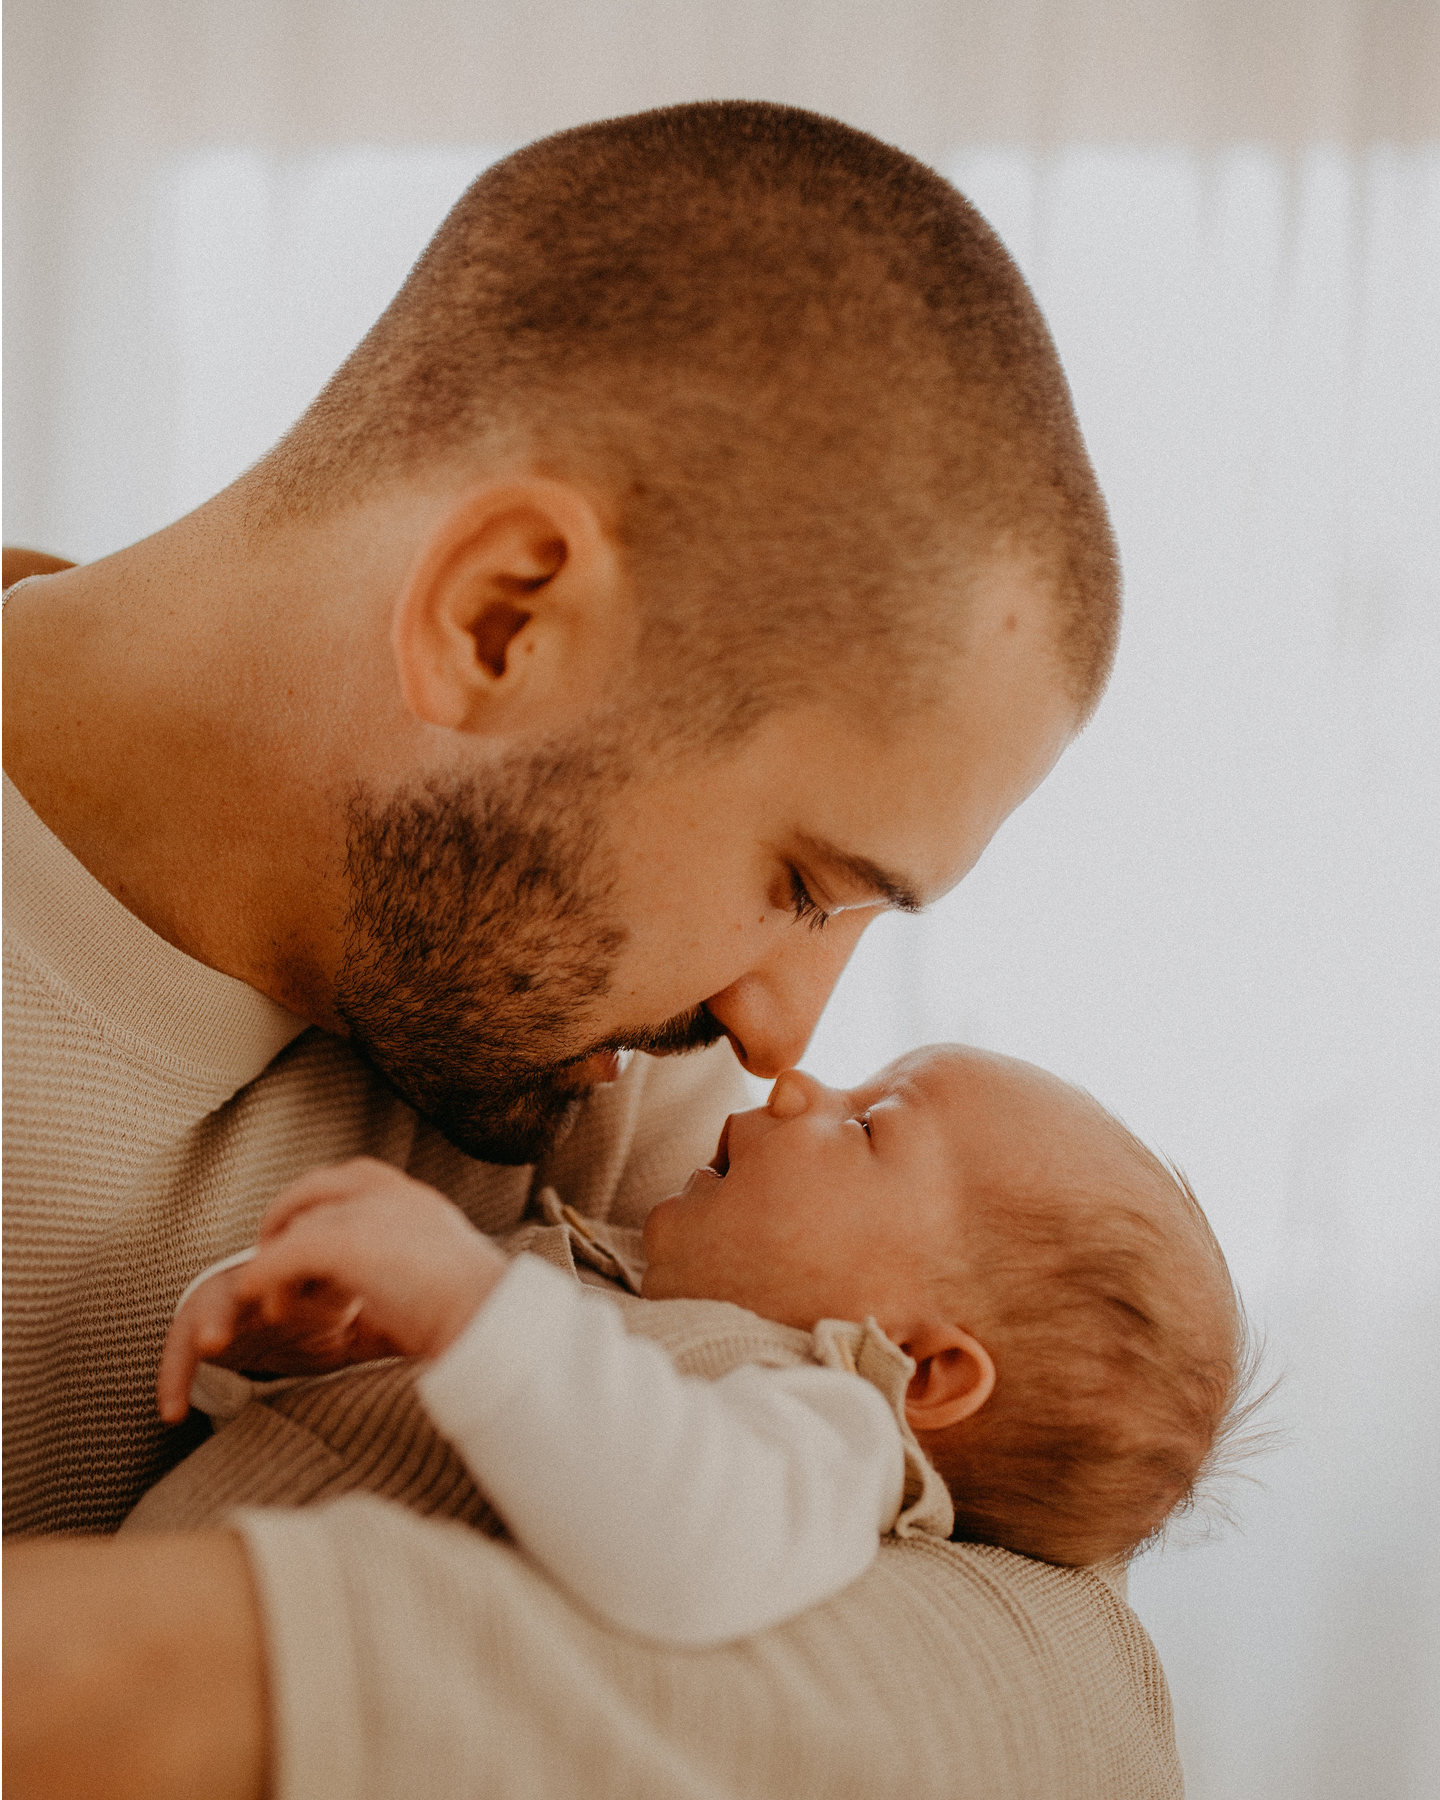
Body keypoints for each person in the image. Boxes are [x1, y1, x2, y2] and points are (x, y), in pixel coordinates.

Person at [1, 99, 1162, 1799]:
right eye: (802, 883)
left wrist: (209, 1669)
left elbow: (1080, 1693)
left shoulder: (620, 1099)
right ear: (502, 618)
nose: (779, 1041)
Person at [136, 1046, 1247, 1650]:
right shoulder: (606, 1283)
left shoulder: (831, 1426)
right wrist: (299, 1338)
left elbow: (685, 1538)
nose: (801, 1084)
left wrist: (465, 1304)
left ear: (927, 1368)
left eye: (866, 1125)